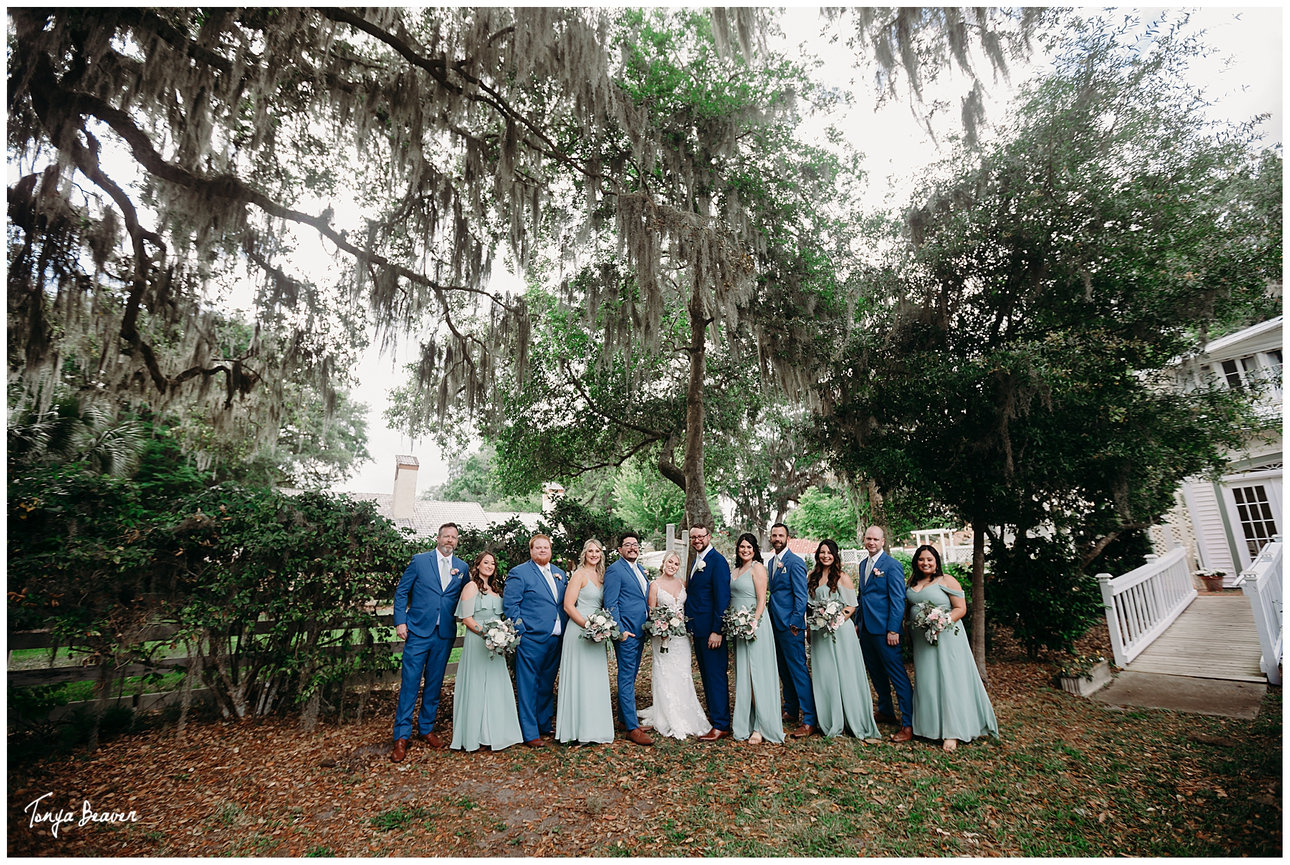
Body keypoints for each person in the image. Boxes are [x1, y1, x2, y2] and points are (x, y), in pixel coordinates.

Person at [906, 544, 999, 751]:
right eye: (921, 559)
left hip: (946, 637)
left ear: (936, 561)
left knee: (948, 679)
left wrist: (942, 622)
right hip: (922, 641)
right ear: (916, 562)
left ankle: (953, 732)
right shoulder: (912, 581)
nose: (925, 563)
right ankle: (929, 727)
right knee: (928, 680)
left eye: (929, 559)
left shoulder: (947, 580)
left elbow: (961, 608)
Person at [391, 522, 471, 761]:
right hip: (417, 631)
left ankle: (426, 728)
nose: (450, 540)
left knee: (434, 685)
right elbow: (402, 591)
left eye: (454, 537)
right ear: (438, 538)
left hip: (444, 634)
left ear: (457, 541)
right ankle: (401, 736)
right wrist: (400, 621)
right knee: (410, 685)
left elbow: (467, 595)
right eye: (446, 536)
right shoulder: (420, 561)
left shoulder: (462, 567)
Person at [449, 551, 523, 752]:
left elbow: (501, 617)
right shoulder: (471, 587)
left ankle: (496, 733)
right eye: (486, 562)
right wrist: (488, 634)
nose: (489, 566)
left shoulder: (496, 590)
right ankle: (475, 735)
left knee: (496, 685)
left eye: (492, 563)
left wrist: (502, 636)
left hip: (497, 643)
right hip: (478, 641)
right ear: (478, 565)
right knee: (477, 685)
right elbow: (467, 618)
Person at [807, 539, 881, 740]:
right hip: (819, 633)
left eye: (829, 552)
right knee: (826, 674)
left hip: (840, 631)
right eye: (822, 552)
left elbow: (851, 606)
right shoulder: (811, 577)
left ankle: (853, 718)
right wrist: (811, 627)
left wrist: (834, 620)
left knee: (845, 672)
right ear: (817, 555)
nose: (825, 556)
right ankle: (831, 719)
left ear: (835, 555)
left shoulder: (842, 577)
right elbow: (810, 607)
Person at [502, 533, 568, 747]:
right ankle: (530, 733)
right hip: (531, 639)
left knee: (547, 683)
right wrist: (523, 631)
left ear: (551, 551)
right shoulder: (519, 573)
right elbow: (511, 605)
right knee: (528, 685)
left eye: (546, 547)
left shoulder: (559, 574)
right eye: (538, 547)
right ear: (531, 551)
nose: (542, 550)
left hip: (556, 638)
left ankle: (543, 722)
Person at [638, 551, 711, 739]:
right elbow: (651, 612)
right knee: (665, 672)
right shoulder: (654, 585)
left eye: (676, 564)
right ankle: (667, 714)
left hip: (681, 637)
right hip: (662, 637)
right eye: (670, 562)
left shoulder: (682, 584)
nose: (672, 566)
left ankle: (685, 711)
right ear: (663, 563)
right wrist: (663, 625)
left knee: (683, 672)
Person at [854, 524, 915, 742]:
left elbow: (898, 599)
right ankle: (886, 710)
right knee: (876, 673)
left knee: (897, 675)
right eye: (868, 538)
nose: (871, 542)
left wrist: (892, 629)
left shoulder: (892, 565)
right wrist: (857, 623)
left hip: (886, 631)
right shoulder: (863, 565)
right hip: (867, 631)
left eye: (875, 539)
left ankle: (908, 723)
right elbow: (862, 597)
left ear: (883, 542)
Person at [554, 539, 616, 745]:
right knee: (579, 678)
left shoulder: (603, 576)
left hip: (597, 633)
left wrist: (601, 628)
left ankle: (595, 729)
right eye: (590, 550)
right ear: (584, 553)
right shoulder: (579, 575)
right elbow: (568, 606)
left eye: (597, 550)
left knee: (594, 680)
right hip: (579, 631)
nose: (594, 554)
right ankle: (575, 730)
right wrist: (589, 626)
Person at [729, 532, 784, 744]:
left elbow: (762, 599)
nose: (745, 550)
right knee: (744, 675)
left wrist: (753, 623)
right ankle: (746, 721)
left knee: (757, 675)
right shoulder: (735, 570)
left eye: (749, 547)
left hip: (755, 627)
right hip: (738, 629)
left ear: (755, 550)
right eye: (742, 546)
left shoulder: (757, 568)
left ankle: (761, 726)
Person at [601, 531, 653, 746]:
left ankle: (624, 719)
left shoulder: (639, 569)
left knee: (630, 677)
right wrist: (620, 630)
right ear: (620, 549)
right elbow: (611, 602)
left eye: (635, 544)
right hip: (627, 633)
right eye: (627, 544)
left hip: (640, 632)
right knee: (625, 678)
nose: (632, 547)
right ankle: (632, 728)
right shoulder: (615, 570)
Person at [766, 522, 817, 737]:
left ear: (788, 538)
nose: (777, 538)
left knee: (797, 669)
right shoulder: (771, 562)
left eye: (781, 535)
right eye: (774, 535)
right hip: (774, 624)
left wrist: (796, 622)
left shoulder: (795, 562)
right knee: (783, 669)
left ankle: (809, 718)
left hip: (790, 625)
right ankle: (791, 708)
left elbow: (801, 595)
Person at [684, 523, 732, 741]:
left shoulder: (717, 562)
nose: (697, 540)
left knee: (715, 676)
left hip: (711, 631)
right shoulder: (697, 561)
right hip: (698, 629)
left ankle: (722, 724)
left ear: (709, 536)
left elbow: (722, 599)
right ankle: (715, 718)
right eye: (693, 537)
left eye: (700, 536)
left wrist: (717, 630)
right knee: (706, 675)